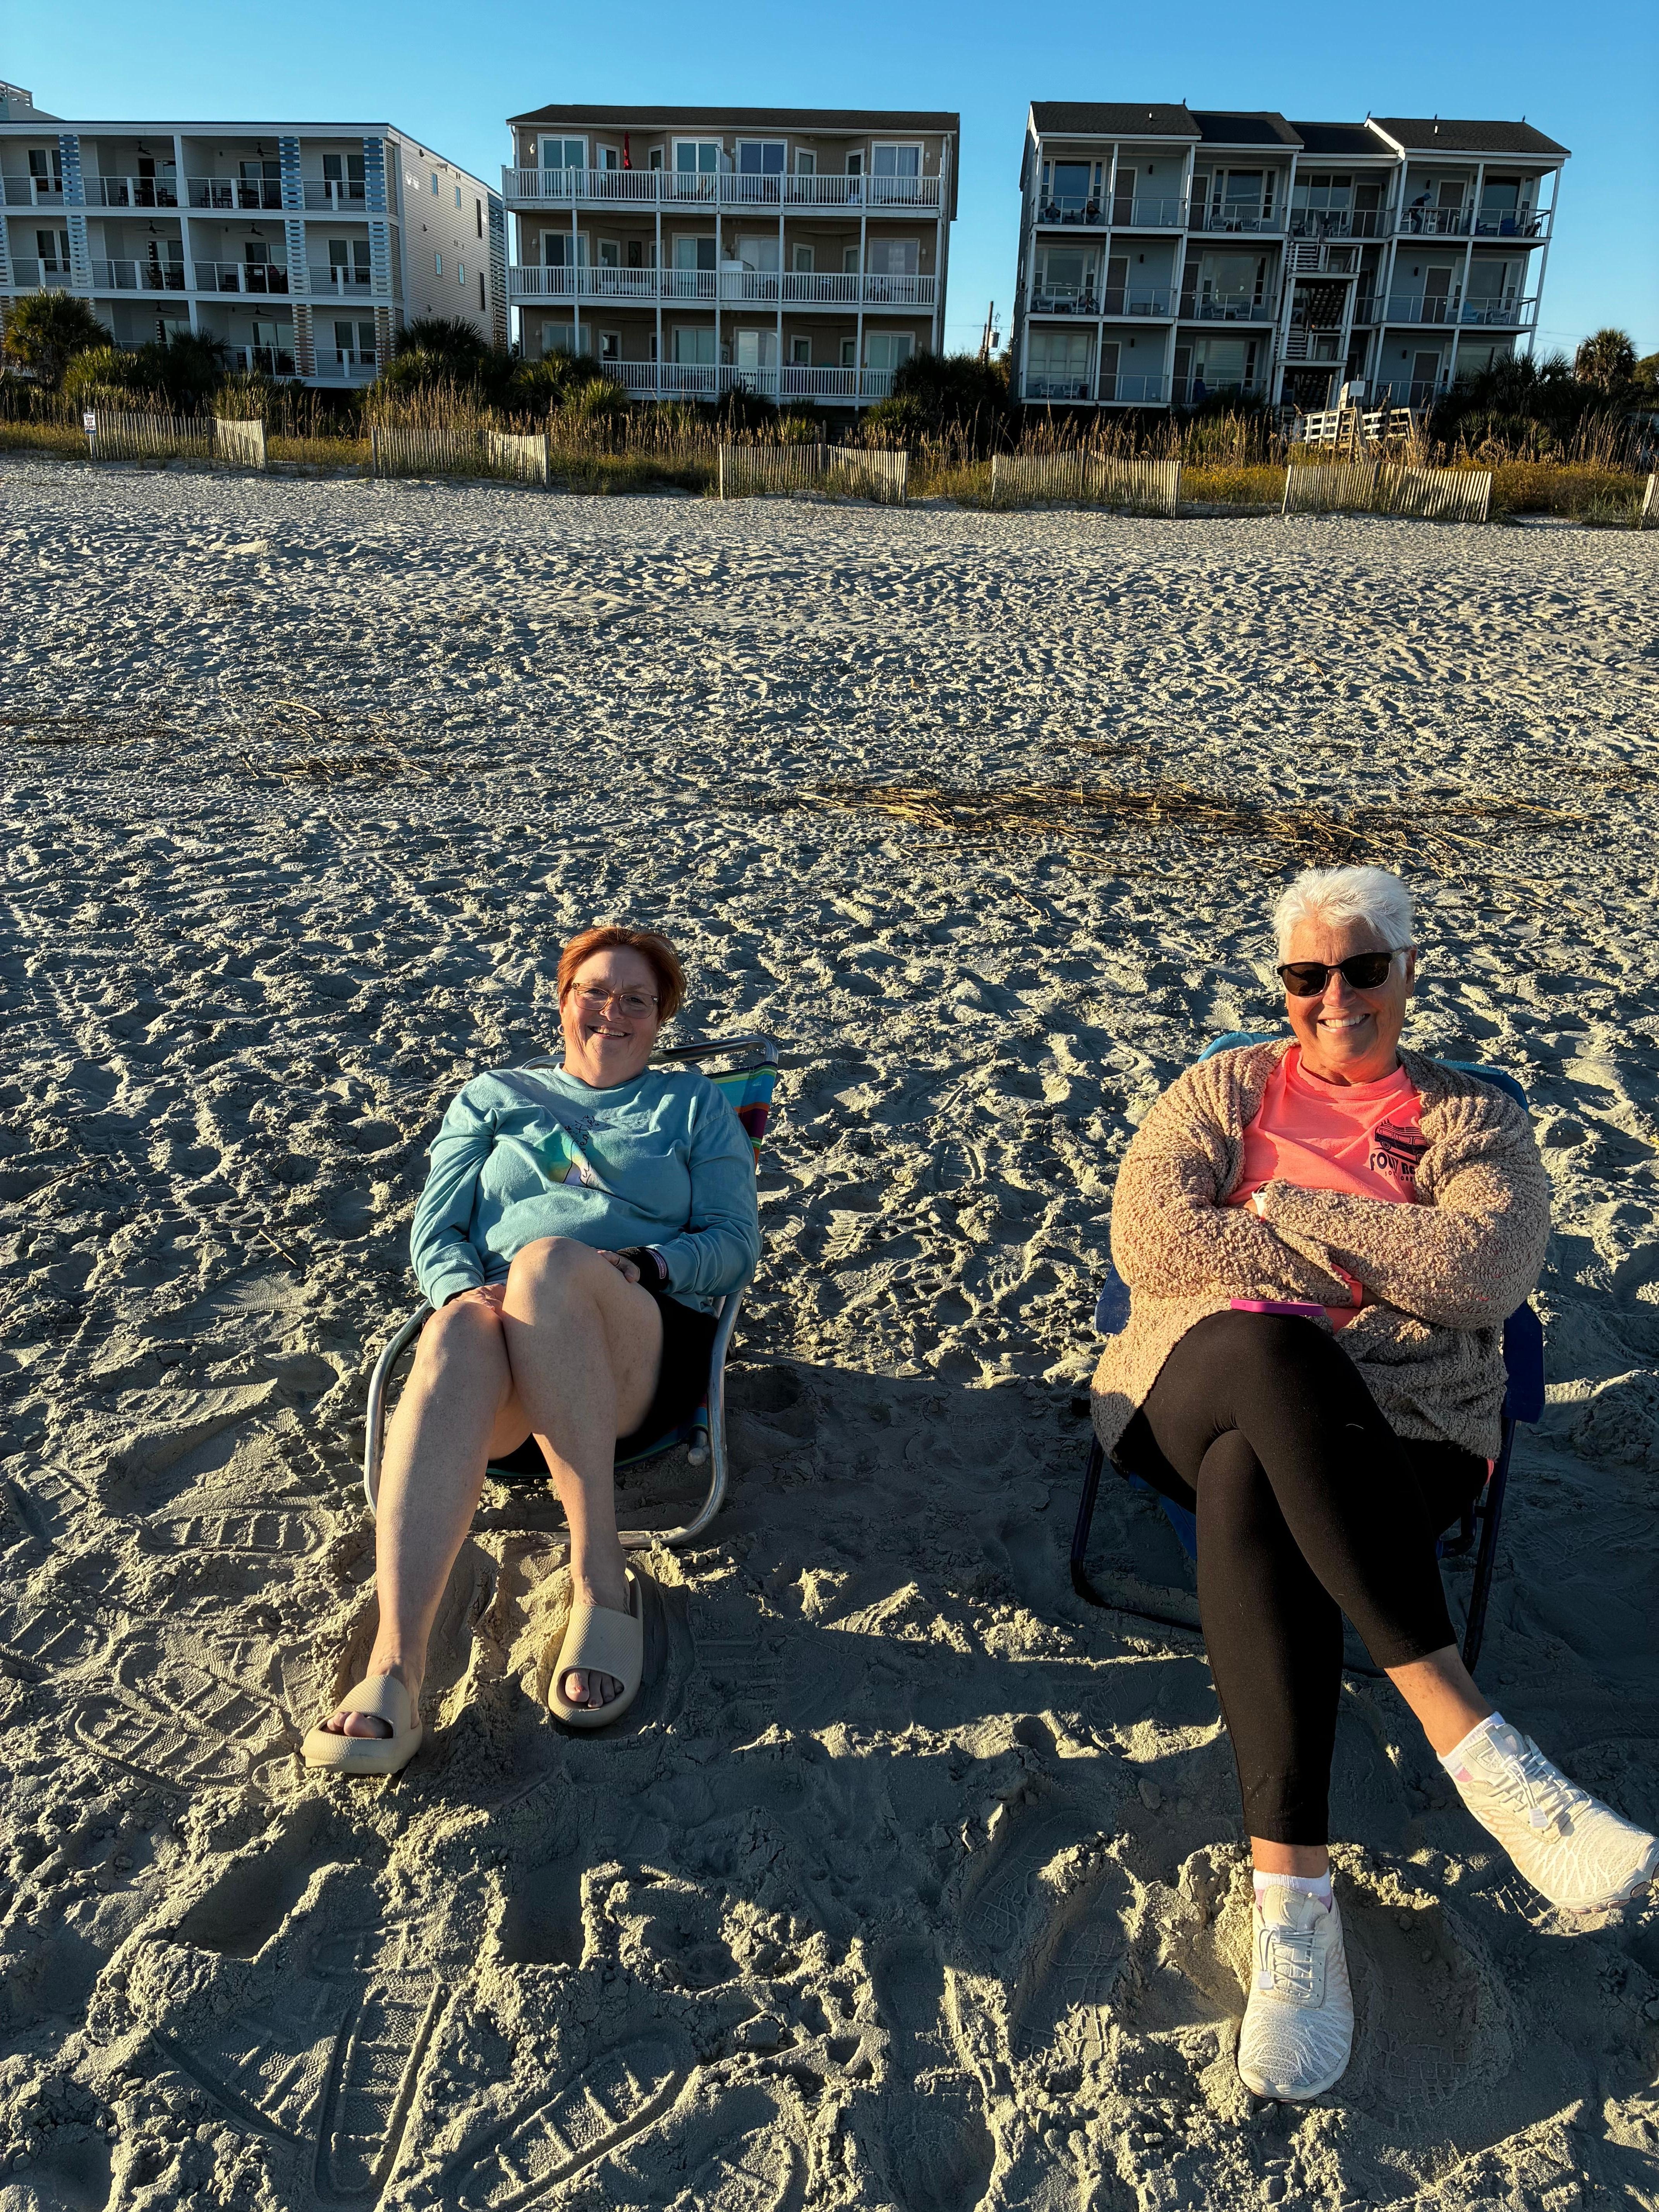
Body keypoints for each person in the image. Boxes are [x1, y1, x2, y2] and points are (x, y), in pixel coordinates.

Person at [1091, 864, 1658, 2102]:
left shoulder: (1472, 1118)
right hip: (1190, 1377)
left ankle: (1292, 1910)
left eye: (1359, 967)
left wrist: (1280, 1209)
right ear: (1280, 988)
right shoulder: (1218, 1087)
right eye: (1305, 975)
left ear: (1407, 971)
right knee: (1267, 1353)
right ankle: (1478, 1746)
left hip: (1406, 1425)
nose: (1331, 995)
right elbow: (1153, 1242)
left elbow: (1484, 1272)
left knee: (1258, 1467)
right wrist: (1356, 1276)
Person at [303, 926, 761, 1774]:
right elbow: (436, 1233)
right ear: (564, 999)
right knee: (459, 1325)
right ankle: (395, 1668)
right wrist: (456, 1292)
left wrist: (648, 1263)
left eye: (638, 1000)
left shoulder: (692, 1106)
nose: (613, 1012)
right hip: (507, 1370)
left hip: (635, 1346)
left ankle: (599, 1581)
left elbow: (735, 1243)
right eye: (596, 991)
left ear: (661, 1019)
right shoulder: (493, 1096)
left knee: (547, 1262)